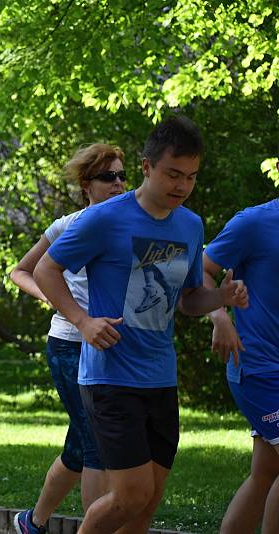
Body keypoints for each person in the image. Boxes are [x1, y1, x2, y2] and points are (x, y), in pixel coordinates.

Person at [32, 116, 249, 533]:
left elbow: (187, 301)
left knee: (146, 503)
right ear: (147, 168)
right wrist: (83, 321)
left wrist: (220, 298)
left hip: (160, 378)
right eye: (172, 174)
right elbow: (45, 269)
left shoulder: (190, 224)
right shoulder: (105, 218)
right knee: (130, 494)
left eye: (190, 177)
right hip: (110, 378)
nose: (181, 186)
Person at [10, 143, 126, 533]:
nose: (118, 184)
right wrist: (55, 298)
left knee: (80, 446)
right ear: (86, 184)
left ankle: (33, 523)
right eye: (107, 177)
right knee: (95, 444)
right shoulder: (68, 225)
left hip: (114, 346)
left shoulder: (134, 224)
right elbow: (22, 271)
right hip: (70, 346)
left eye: (123, 175)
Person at [203, 162, 279, 534]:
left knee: (265, 474)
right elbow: (199, 271)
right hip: (260, 368)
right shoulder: (253, 223)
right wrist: (220, 318)